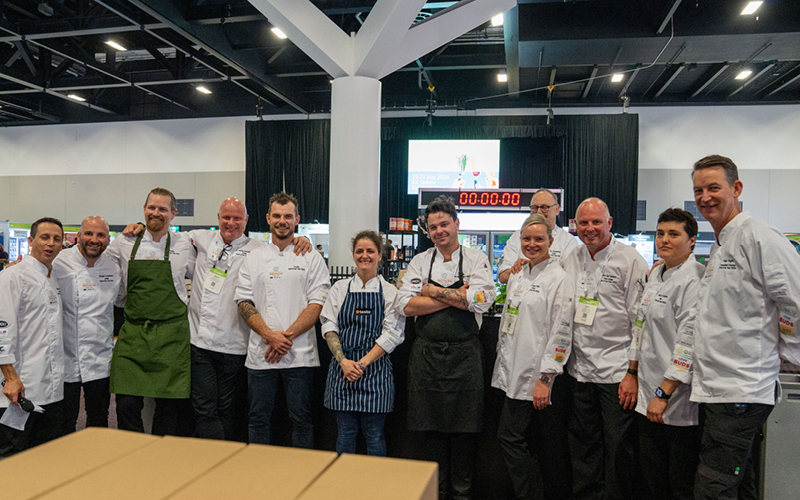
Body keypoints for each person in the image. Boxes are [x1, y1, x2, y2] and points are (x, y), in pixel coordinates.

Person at [686, 155, 800, 499]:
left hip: (741, 390)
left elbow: (794, 300)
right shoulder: (721, 246)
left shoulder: (760, 238)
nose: (705, 197)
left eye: (714, 188)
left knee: (712, 488)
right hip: (720, 388)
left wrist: (789, 354)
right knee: (740, 483)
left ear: (736, 188)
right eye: (699, 190)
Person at [399, 195, 496, 500]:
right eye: (433, 227)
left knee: (465, 434)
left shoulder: (476, 259)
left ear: (457, 224)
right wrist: (454, 297)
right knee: (432, 434)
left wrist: (432, 291)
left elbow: (484, 300)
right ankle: (436, 494)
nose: (439, 230)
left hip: (465, 358)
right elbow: (405, 305)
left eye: (444, 224)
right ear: (427, 231)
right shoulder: (420, 261)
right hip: (426, 358)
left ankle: (462, 494)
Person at [561, 197, 648, 500]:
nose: (589, 228)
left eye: (596, 222)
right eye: (583, 222)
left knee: (618, 447)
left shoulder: (630, 260)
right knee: (583, 445)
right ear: (575, 225)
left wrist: (632, 372)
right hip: (579, 371)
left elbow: (641, 320)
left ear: (610, 223)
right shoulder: (571, 257)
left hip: (616, 373)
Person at [236, 192, 330, 448]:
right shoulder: (253, 258)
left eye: (288, 216)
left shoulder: (311, 257)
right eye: (276, 215)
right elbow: (244, 303)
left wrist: (283, 338)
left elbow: (317, 303)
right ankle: (257, 474)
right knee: (257, 419)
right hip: (261, 353)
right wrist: (270, 336)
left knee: (301, 419)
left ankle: (302, 475)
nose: (282, 221)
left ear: (296, 219)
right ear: (268, 218)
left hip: (299, 354)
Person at [492, 214, 575, 500]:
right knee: (520, 439)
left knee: (511, 437)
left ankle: (532, 494)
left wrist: (545, 377)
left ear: (551, 242)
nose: (532, 244)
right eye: (527, 239)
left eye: (539, 239)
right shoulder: (518, 273)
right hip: (513, 371)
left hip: (537, 378)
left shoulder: (559, 279)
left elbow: (561, 332)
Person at [626, 208, 704, 500]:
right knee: (651, 475)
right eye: (660, 233)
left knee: (679, 481)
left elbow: (688, 343)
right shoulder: (656, 273)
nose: (665, 239)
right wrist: (631, 372)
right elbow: (639, 326)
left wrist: (664, 394)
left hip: (675, 399)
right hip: (646, 392)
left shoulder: (694, 279)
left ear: (692, 240)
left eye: (674, 234)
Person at [106, 187, 196, 436]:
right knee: (126, 404)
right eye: (152, 207)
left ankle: (160, 456)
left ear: (173, 213)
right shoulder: (124, 242)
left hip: (171, 337)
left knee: (168, 407)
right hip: (134, 333)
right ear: (144, 210)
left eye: (163, 209)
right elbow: (92, 261)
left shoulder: (185, 245)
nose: (156, 213)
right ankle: (131, 452)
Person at [321, 230, 405, 456]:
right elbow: (329, 326)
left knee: (374, 434)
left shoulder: (390, 292)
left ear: (380, 255)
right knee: (345, 433)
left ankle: (374, 489)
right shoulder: (339, 289)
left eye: (370, 251)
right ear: (353, 255)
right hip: (343, 369)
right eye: (359, 251)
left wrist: (362, 363)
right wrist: (344, 362)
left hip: (376, 372)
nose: (364, 255)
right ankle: (344, 485)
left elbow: (392, 334)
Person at [0, 218, 65, 457]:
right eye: (44, 237)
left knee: (42, 457)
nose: (50, 244)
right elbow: (1, 329)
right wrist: (10, 377)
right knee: (12, 456)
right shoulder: (12, 277)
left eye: (56, 239)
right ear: (30, 241)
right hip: (17, 390)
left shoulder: (53, 278)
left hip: (49, 390)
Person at [53, 216, 121, 433]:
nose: (94, 239)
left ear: (108, 239)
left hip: (99, 357)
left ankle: (96, 462)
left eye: (100, 235)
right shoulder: (59, 262)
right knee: (65, 419)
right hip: (66, 356)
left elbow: (122, 300)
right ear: (78, 236)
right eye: (89, 234)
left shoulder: (114, 266)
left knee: (99, 418)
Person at [498, 188, 578, 284]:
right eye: (534, 207)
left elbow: (568, 277)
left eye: (544, 207)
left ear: (556, 209)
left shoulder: (568, 241)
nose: (539, 212)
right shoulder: (516, 237)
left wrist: (529, 268)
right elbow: (503, 275)